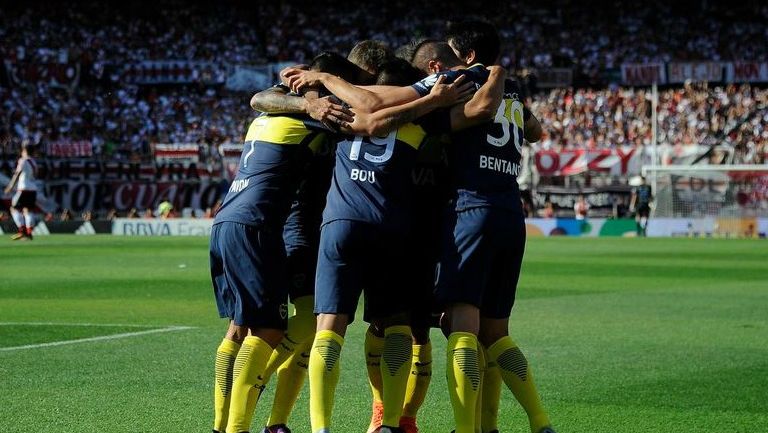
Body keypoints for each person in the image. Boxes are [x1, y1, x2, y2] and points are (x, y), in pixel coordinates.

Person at [308, 62, 501, 433]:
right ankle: (392, 423)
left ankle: (320, 428)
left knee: (329, 327)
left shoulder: (342, 113)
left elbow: (269, 102)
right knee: (396, 324)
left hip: (340, 223)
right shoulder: (421, 121)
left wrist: (316, 91)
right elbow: (473, 114)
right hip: (391, 228)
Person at [210, 52, 363, 433]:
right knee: (269, 331)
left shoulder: (273, 115)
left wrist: (306, 99)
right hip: (261, 225)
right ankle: (237, 425)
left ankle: (231, 423)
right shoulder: (315, 114)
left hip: (232, 220)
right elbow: (369, 119)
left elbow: (261, 99)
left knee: (240, 328)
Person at [4, 142, 39, 241]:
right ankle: (29, 233)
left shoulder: (22, 161)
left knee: (13, 209)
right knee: (27, 210)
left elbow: (17, 173)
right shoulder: (34, 162)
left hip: (23, 188)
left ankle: (22, 231)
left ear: (24, 150)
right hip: (33, 189)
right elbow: (36, 174)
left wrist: (10, 186)